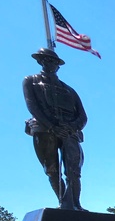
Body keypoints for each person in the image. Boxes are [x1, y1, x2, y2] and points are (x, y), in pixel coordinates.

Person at [22, 48, 87, 210]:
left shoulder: (69, 90)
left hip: (69, 132)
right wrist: (52, 126)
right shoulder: (31, 81)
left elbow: (82, 117)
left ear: (58, 65)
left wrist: (70, 127)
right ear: (40, 61)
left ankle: (75, 204)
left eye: (53, 62)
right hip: (44, 130)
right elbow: (33, 107)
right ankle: (63, 202)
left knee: (74, 170)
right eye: (46, 60)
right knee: (51, 168)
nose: (50, 64)